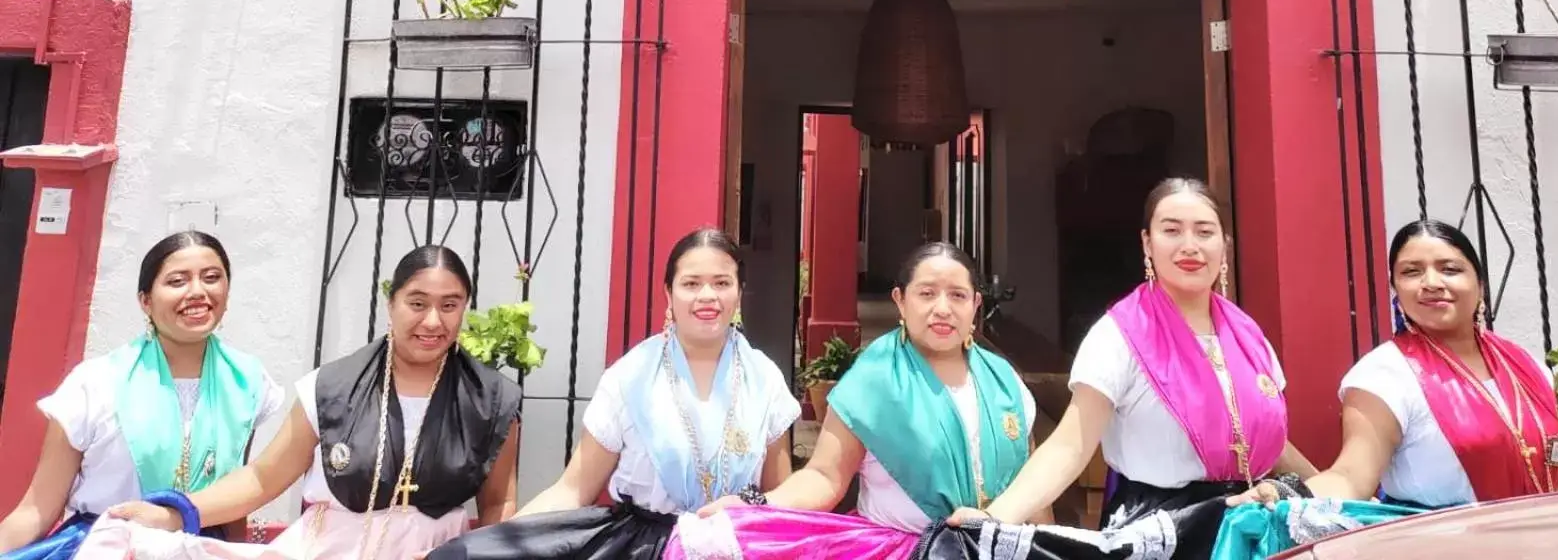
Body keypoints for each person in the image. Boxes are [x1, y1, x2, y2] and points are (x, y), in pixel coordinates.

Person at [942, 178, 1317, 560]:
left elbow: (1265, 438)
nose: (1189, 245)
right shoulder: (1120, 336)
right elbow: (1072, 445)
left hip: (1255, 528)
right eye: (1171, 230)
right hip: (1164, 532)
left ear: (1225, 247)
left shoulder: (1247, 335)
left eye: (1204, 232)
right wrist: (994, 517)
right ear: (1146, 243)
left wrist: (1332, 489)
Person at [77, 245, 521, 560]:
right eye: (417, 303)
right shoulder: (330, 388)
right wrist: (177, 513)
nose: (432, 320)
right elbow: (263, 478)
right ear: (392, 305)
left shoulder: (492, 400)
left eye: (450, 305)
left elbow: (498, 503)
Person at [429, 228, 799, 560]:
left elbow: (781, 496)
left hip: (739, 547)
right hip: (646, 547)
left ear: (738, 291)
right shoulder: (630, 378)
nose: (707, 296)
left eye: (722, 282)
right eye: (691, 283)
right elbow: (573, 490)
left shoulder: (763, 378)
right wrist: (486, 545)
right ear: (668, 293)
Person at [1214, 218, 1558, 559]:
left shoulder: (1526, 367)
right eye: (1411, 272)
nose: (1430, 282)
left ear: (1480, 284)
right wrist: (1287, 493)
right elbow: (1352, 475)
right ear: (1396, 288)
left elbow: (1555, 479)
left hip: (1548, 544)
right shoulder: (1384, 375)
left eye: (1449, 269)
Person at [683, 240, 1039, 560]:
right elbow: (825, 477)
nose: (943, 309)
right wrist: (754, 505)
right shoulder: (872, 381)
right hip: (901, 550)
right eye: (927, 294)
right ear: (900, 300)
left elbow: (1035, 485)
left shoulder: (1004, 382)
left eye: (958, 296)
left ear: (976, 304)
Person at [0, 232, 283, 560]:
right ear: (145, 301)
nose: (197, 292)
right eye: (177, 281)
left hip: (201, 549)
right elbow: (37, 510)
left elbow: (236, 496)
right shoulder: (96, 384)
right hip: (106, 549)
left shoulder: (247, 382)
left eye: (212, 278)